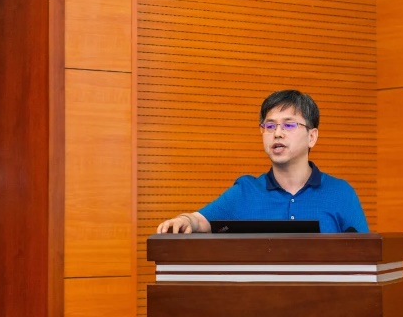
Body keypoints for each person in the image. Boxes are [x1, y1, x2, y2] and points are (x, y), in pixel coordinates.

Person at [156, 89, 369, 234]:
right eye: (270, 126)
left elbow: (366, 256)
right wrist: (185, 220)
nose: (277, 133)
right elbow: (201, 221)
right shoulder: (246, 191)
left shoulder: (340, 193)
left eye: (289, 125)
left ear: (312, 137)